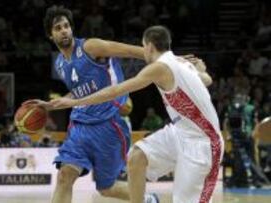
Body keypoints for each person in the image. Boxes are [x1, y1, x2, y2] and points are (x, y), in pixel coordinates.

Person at [51, 25, 224, 203]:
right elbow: (207, 80)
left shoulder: (159, 67)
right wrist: (201, 70)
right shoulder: (183, 63)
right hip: (180, 132)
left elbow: (115, 91)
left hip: (204, 142)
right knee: (137, 156)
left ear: (148, 46)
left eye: (143, 47)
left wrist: (74, 102)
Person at [22, 5, 160, 203]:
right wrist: (51, 105)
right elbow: (80, 92)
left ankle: (147, 200)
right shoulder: (60, 63)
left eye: (66, 26)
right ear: (50, 35)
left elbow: (130, 51)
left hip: (109, 125)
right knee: (64, 177)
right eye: (58, 28)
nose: (63, 30)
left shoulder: (90, 47)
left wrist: (165, 59)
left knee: (107, 188)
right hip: (80, 126)